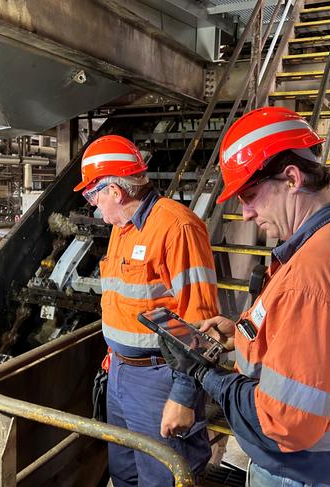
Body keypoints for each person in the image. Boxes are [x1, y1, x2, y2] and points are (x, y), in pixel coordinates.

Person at [159, 107, 330, 487]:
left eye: (250, 195)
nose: (246, 213)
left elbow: (284, 421)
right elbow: (327, 343)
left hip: (307, 472)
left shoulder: (311, 276)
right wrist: (240, 333)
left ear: (291, 178)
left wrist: (205, 374)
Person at [74, 135, 219, 486]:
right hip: (121, 372)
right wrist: (115, 355)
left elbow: (202, 323)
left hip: (160, 379)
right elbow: (126, 301)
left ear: (115, 191)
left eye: (93, 195)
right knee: (124, 473)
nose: (93, 205)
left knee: (164, 476)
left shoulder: (177, 227)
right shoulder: (122, 229)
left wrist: (184, 396)